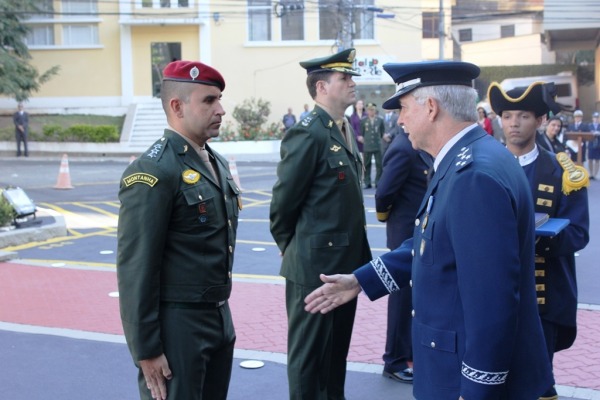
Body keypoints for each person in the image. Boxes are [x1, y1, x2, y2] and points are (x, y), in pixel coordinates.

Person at [304, 60, 554, 399]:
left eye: (404, 108)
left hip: (460, 378)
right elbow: (431, 241)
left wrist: (478, 390)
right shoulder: (469, 158)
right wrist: (362, 280)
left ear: (431, 108)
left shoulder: (474, 176)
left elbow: (492, 301)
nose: (400, 119)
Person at [117, 60, 241, 400]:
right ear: (177, 106)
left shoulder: (216, 162)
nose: (221, 109)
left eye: (219, 99)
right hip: (177, 328)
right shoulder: (155, 170)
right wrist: (146, 349)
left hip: (218, 318)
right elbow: (136, 267)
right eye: (209, 101)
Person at [269, 48, 372, 400]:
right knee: (309, 359)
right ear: (322, 88)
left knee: (335, 356)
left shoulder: (342, 128)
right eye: (345, 78)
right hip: (313, 269)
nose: (352, 83)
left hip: (345, 267)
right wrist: (298, 251)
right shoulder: (308, 133)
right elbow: (283, 206)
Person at [489, 80, 590, 400]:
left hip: (541, 300)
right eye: (506, 116)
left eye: (523, 116)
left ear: (541, 120)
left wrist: (530, 239)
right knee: (492, 377)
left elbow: (578, 233)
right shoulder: (483, 165)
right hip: (492, 295)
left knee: (539, 382)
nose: (513, 124)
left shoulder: (563, 172)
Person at [375, 119, 432, 384]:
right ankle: (394, 360)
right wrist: (385, 216)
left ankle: (407, 352)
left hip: (419, 233)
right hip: (405, 233)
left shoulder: (419, 143)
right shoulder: (403, 147)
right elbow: (384, 192)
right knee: (401, 300)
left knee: (414, 299)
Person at [360, 102, 385, 188]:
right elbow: (362, 132)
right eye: (369, 110)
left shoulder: (380, 120)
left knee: (379, 164)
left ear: (375, 110)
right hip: (367, 145)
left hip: (377, 145)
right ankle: (367, 182)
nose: (371, 111)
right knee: (367, 164)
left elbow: (382, 132)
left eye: (373, 110)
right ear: (367, 111)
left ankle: (378, 181)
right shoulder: (363, 120)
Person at [588, 111, 600, 179]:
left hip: (598, 145)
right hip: (591, 144)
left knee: (597, 160)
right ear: (592, 118)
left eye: (597, 118)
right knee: (590, 159)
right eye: (595, 118)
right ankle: (591, 173)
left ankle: (595, 174)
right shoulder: (589, 125)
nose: (596, 119)